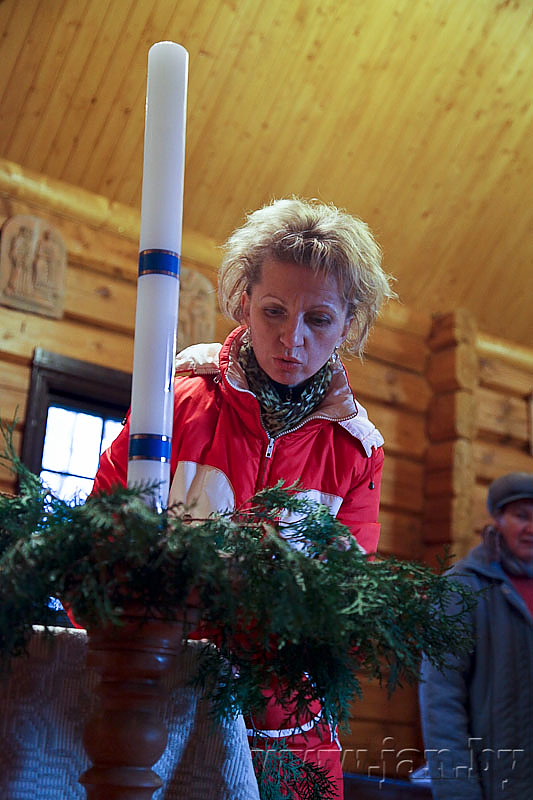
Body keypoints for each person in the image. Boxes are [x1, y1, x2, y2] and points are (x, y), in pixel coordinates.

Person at [92, 197, 395, 798]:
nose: (291, 339)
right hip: (156, 706)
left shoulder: (356, 452)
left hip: (287, 728)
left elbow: (346, 619)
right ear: (243, 301)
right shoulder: (174, 405)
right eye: (274, 310)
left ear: (349, 324)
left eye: (319, 319)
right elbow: (94, 553)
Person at [419, 472, 533, 800]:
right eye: (521, 516)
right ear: (497, 518)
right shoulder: (461, 588)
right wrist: (457, 791)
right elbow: (441, 700)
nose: (531, 528)